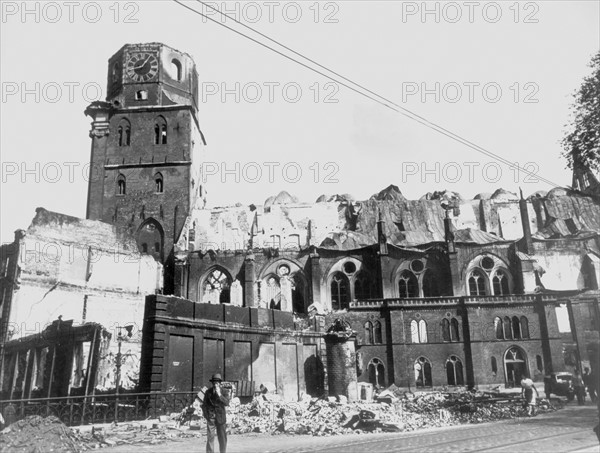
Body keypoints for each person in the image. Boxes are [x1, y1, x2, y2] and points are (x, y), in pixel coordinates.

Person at [202, 373, 230, 453]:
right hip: (211, 418)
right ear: (212, 383)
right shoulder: (208, 392)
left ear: (220, 383)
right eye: (214, 382)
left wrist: (220, 394)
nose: (215, 384)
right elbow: (204, 405)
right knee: (210, 437)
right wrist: (207, 416)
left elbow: (227, 403)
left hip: (221, 418)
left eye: (217, 382)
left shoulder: (224, 391)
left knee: (222, 438)